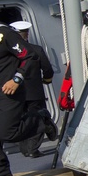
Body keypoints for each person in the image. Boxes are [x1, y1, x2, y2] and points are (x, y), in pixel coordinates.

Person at [0, 0, 41, 176]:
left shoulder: (5, 34)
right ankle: (0, 174)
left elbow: (29, 57)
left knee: (5, 133)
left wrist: (17, 79)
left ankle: (40, 121)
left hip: (7, 92)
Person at [9, 21, 56, 157]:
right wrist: (46, 80)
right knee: (37, 118)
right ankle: (33, 148)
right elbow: (47, 69)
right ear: (27, 34)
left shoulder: (7, 54)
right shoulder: (36, 49)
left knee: (21, 120)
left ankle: (25, 149)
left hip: (15, 93)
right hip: (34, 92)